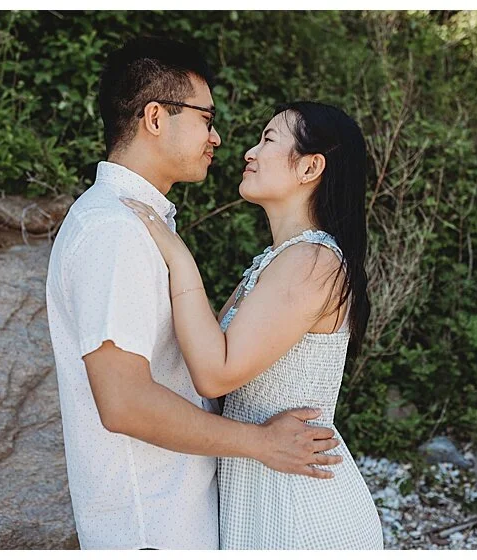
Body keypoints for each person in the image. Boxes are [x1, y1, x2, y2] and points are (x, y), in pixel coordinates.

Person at [45, 38, 342, 550]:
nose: (220, 137)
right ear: (156, 118)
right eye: (206, 118)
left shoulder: (139, 223)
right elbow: (123, 402)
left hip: (182, 513)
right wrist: (262, 443)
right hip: (152, 525)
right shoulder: (114, 229)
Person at [122, 101, 384, 549]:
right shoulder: (281, 259)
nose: (249, 152)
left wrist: (179, 257)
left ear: (310, 167)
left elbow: (214, 374)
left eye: (267, 140)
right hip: (267, 491)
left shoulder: (313, 261)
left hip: (301, 510)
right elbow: (209, 358)